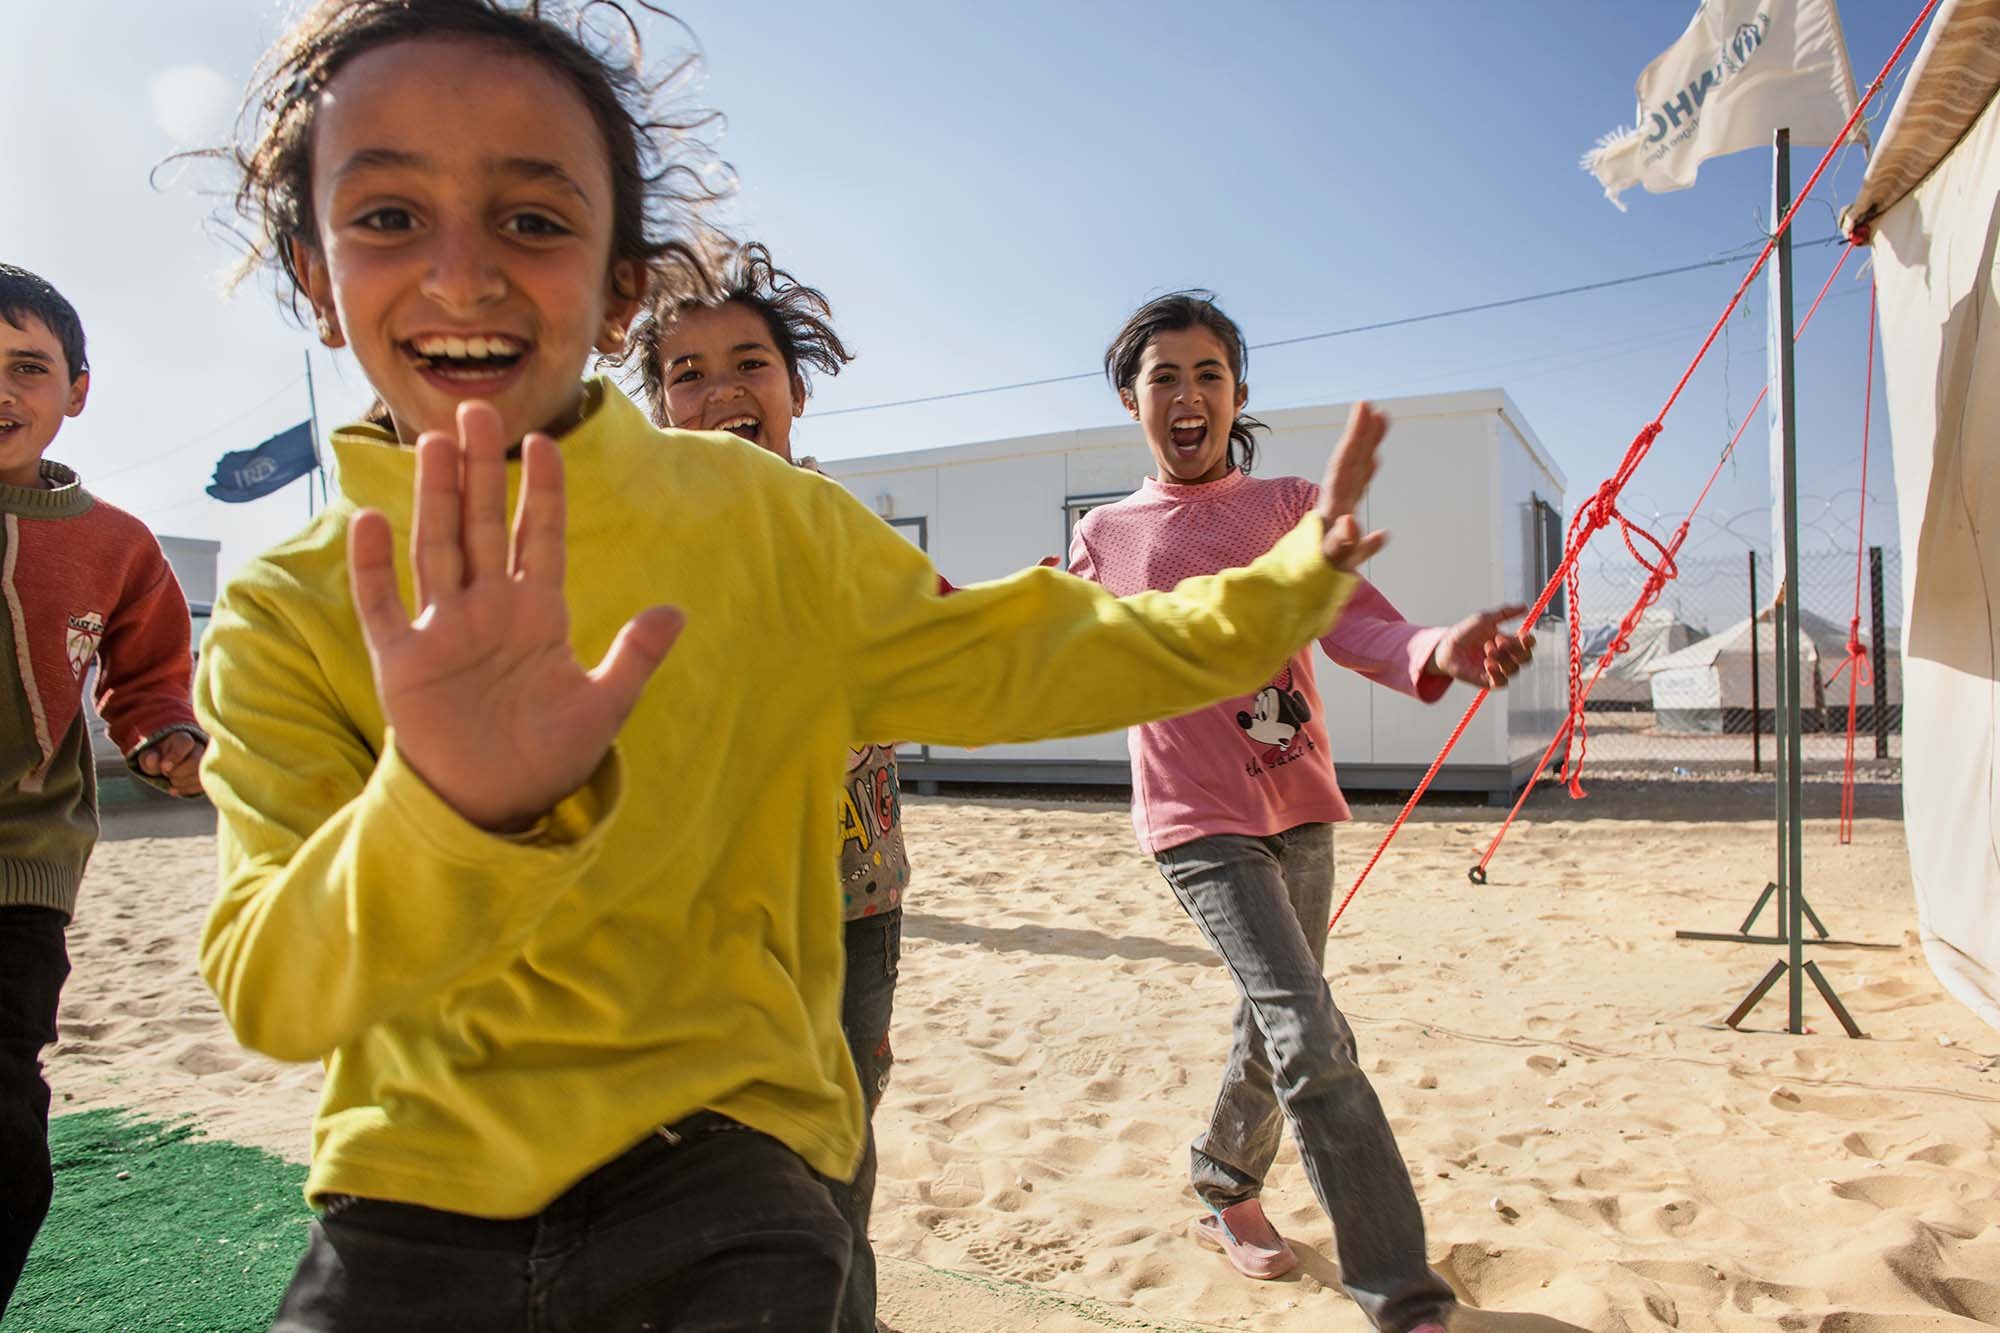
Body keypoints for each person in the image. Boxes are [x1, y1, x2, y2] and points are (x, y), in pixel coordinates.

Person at [195, 4, 1391, 1324]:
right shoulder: (285, 607)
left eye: (535, 219)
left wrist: (1285, 585)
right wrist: (444, 812)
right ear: (313, 272)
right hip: (410, 1195)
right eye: (386, 216)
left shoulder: (763, 520)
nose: (464, 273)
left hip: (724, 1163)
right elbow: (274, 986)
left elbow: (1026, 653)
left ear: (617, 284)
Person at [1070, 290, 1537, 1333]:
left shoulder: (1285, 506)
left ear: (1236, 392)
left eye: (1208, 375)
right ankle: (1401, 1295)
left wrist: (1435, 651)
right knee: (1306, 1027)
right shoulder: (1104, 534)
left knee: (1278, 1007)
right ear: (1128, 397)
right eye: (1163, 377)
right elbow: (1056, 650)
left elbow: (1360, 626)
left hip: (1298, 800)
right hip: (1193, 818)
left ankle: (1219, 1180)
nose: (1187, 395)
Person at [623, 241, 905, 1333]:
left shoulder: (845, 534)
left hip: (848, 907)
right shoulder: (629, 550)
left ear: (794, 388)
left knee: (835, 1150)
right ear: (655, 407)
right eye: (684, 373)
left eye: (748, 363)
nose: (720, 391)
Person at [0, 263, 206, 1317]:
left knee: (7, 1143)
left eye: (27, 367)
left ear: (76, 388)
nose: (2, 390)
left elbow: (149, 667)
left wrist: (165, 734)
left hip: (23, 871)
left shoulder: (114, 542)